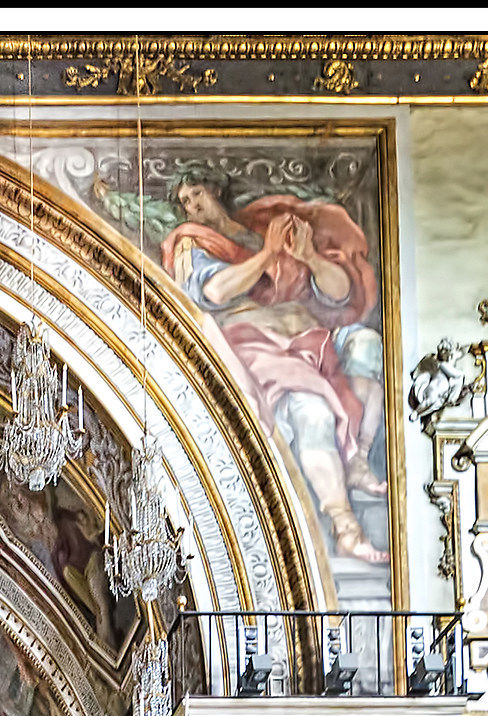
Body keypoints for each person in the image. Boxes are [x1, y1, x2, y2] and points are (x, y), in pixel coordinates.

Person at [161, 172, 387, 565]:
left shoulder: (264, 227)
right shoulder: (193, 241)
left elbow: (339, 292)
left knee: (367, 344)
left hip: (308, 338)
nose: (192, 206)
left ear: (215, 188)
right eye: (184, 202)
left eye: (196, 193)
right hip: (252, 343)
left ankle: (358, 460)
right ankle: (344, 524)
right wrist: (266, 254)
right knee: (310, 409)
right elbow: (214, 292)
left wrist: (309, 258)